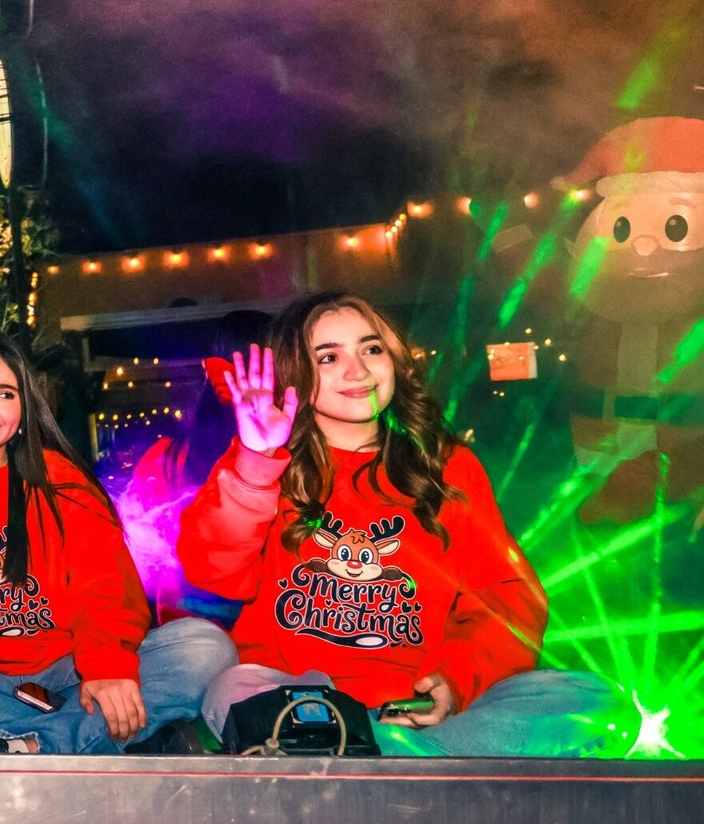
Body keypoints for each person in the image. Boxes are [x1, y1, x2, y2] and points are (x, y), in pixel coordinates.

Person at [179, 291, 627, 756]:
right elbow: (213, 571)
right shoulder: (264, 461)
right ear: (294, 374)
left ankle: (372, 756)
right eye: (329, 357)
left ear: (394, 360)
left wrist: (455, 681)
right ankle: (403, 761)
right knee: (233, 687)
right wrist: (255, 462)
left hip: (417, 705)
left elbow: (508, 596)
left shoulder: (449, 466)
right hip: (303, 697)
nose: (358, 371)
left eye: (371, 349)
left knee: (595, 701)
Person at [0, 332, 236, 753]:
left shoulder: (62, 480)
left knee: (205, 648)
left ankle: (10, 745)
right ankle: (66, 740)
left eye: (5, 394)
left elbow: (105, 583)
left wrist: (106, 667)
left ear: (24, 408)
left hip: (71, 671)